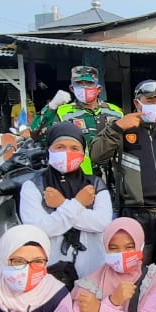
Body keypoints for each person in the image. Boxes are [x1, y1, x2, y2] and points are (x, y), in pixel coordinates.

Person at [90, 80, 156, 280]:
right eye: (149, 100)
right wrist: (117, 128)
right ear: (137, 103)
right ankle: (134, 311)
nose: (155, 106)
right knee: (135, 274)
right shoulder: (121, 128)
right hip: (136, 215)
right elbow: (95, 155)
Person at [18, 122, 114, 289]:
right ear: (48, 150)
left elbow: (102, 223)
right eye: (60, 147)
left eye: (74, 148)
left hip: (92, 269)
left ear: (83, 154)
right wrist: (78, 203)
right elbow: (39, 229)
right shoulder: (34, 186)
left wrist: (62, 203)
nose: (67, 153)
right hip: (50, 270)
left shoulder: (94, 184)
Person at [25, 65, 123, 177]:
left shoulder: (115, 112)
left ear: (98, 88)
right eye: (79, 84)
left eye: (89, 83)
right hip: (78, 177)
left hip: (114, 179)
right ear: (72, 88)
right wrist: (51, 107)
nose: (84, 87)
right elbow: (37, 135)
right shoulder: (63, 113)